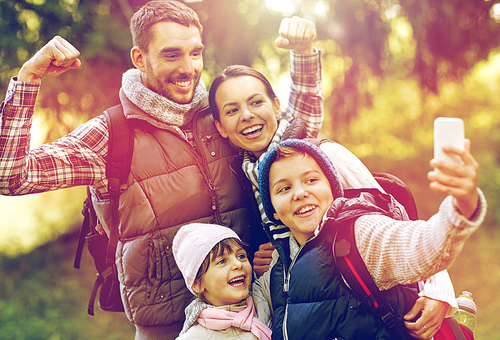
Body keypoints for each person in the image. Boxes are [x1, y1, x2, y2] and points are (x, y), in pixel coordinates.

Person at [0, 1, 321, 339]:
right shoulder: (112, 135)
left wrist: (302, 54)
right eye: (171, 55)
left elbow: (296, 139)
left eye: (194, 53)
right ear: (139, 59)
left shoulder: (221, 117)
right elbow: (11, 175)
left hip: (253, 310)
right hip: (166, 328)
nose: (188, 68)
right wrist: (29, 77)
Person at [208, 63, 460, 339]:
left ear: (276, 106)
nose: (246, 115)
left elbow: (395, 220)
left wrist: (440, 292)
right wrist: (273, 261)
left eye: (256, 102)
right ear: (220, 126)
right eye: (232, 110)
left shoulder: (324, 155)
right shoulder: (248, 179)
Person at [253, 138, 486, 340]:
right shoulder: (279, 267)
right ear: (273, 211)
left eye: (311, 180)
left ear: (333, 189)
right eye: (284, 188)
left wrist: (462, 207)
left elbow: (421, 246)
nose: (300, 193)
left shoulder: (356, 233)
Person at [172, 223, 272, 340]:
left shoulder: (262, 296)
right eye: (222, 261)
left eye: (241, 256)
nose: (238, 264)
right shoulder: (194, 337)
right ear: (197, 284)